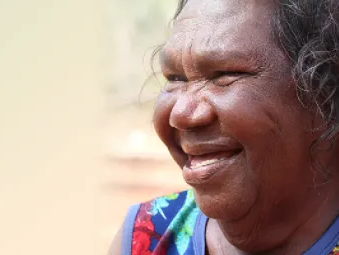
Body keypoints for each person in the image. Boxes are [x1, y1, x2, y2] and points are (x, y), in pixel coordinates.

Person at [108, 0, 339, 254]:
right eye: (175, 78)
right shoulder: (146, 238)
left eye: (223, 74)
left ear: (327, 93)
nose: (181, 114)